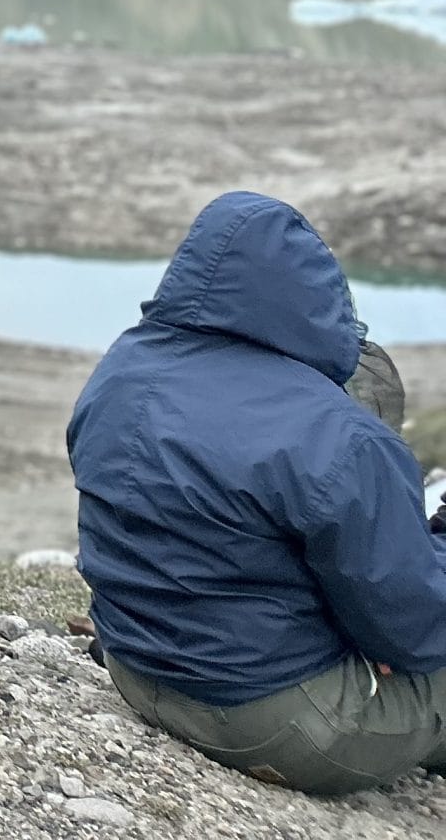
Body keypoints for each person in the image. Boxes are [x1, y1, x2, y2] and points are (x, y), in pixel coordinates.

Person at [69, 190, 446, 795]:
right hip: (274, 723)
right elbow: (414, 630)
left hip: (134, 668)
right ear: (318, 301)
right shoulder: (341, 437)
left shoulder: (123, 368)